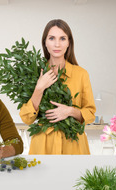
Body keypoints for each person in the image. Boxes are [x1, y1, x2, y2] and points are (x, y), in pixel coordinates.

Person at [19, 19, 96, 155]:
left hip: (74, 145)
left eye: (62, 38)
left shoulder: (81, 74)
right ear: (45, 42)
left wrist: (70, 111)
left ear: (68, 43)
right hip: (43, 146)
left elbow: (90, 114)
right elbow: (27, 119)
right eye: (52, 38)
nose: (57, 44)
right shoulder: (34, 73)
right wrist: (39, 88)